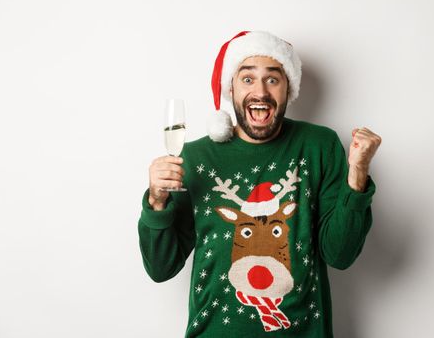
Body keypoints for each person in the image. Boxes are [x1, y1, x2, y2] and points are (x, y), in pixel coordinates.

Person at [138, 30, 382, 337]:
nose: (261, 92)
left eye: (273, 79)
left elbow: (340, 255)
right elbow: (161, 268)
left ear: (287, 88)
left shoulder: (319, 146)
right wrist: (157, 203)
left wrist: (357, 175)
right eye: (248, 79)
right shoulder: (195, 156)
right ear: (232, 88)